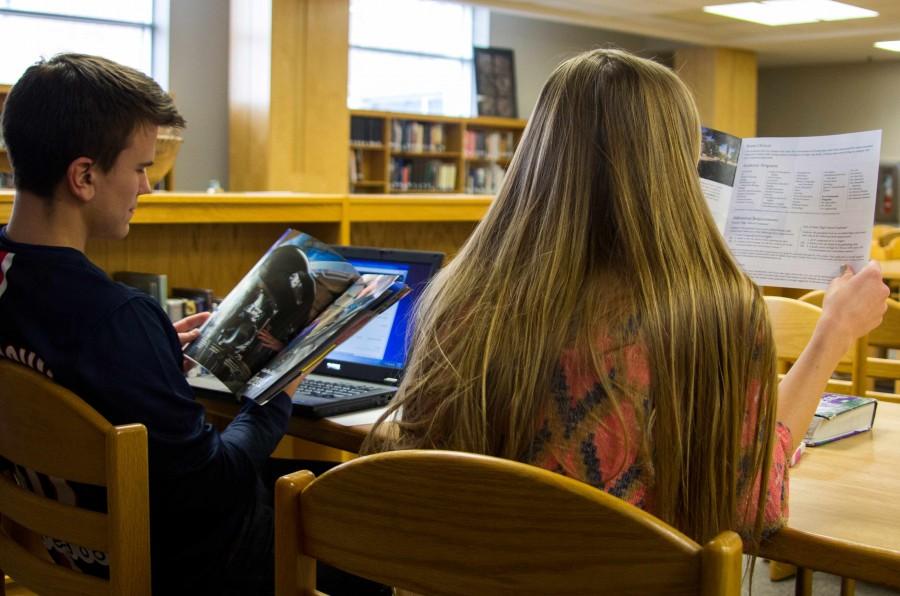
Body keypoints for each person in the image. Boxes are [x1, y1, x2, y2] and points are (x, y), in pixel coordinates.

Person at [364, 48, 890, 548]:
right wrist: (835, 332)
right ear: (674, 171)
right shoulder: (713, 317)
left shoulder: (459, 299)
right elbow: (753, 509)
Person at [0, 54, 313, 595]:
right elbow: (212, 488)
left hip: (56, 542)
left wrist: (152, 349)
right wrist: (275, 390)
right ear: (84, 176)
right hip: (181, 567)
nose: (147, 188)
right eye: (140, 168)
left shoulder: (49, 298)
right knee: (357, 507)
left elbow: (64, 359)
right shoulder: (117, 318)